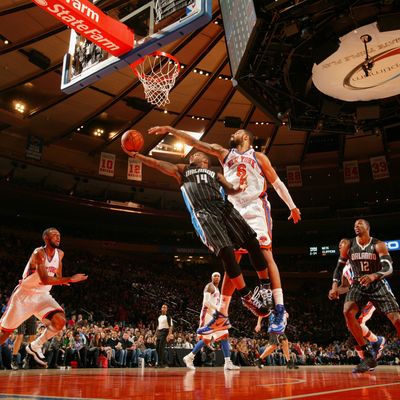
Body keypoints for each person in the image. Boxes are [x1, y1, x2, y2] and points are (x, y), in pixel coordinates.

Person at [148, 126, 301, 333]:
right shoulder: (223, 154)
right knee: (232, 259)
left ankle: (280, 310)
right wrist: (171, 129)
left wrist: (292, 206)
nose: (233, 133)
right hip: (232, 208)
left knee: (265, 253)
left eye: (238, 131)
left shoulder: (259, 157)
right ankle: (222, 314)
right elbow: (195, 144)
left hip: (255, 206)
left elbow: (277, 183)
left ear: (246, 137)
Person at [121, 146, 272, 326]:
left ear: (206, 161)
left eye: (199, 153)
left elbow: (231, 189)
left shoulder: (215, 173)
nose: (195, 153)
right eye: (194, 154)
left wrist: (241, 187)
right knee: (227, 252)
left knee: (252, 242)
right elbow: (157, 164)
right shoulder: (183, 169)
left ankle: (265, 287)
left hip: (223, 208)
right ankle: (247, 297)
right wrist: (138, 155)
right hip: (204, 213)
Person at [0, 227, 88, 367]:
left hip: (42, 295)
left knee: (60, 321)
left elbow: (57, 275)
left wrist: (63, 280)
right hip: (24, 296)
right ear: (46, 238)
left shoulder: (60, 254)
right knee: (4, 334)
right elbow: (46, 279)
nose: (58, 238)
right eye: (54, 235)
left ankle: (35, 345)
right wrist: (69, 279)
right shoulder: (38, 253)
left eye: (59, 235)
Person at [328, 219, 400, 373]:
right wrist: (334, 288)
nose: (356, 226)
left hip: (377, 284)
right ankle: (367, 355)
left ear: (367, 227)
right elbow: (340, 272)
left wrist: (373, 276)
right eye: (354, 225)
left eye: (359, 224)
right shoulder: (349, 247)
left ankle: (376, 342)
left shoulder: (378, 244)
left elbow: (388, 268)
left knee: (396, 319)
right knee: (348, 312)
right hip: (358, 285)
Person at [332, 239, 385, 363]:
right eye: (339, 245)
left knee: (356, 323)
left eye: (344, 244)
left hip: (370, 294)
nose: (341, 246)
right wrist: (335, 291)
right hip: (357, 297)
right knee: (353, 329)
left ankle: (375, 343)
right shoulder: (344, 267)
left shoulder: (359, 258)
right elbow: (345, 286)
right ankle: (370, 352)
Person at [183, 272, 240, 371]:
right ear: (211, 277)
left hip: (215, 315)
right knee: (211, 338)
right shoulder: (209, 286)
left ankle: (227, 362)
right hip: (208, 314)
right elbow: (205, 303)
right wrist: (217, 310)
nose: (217, 277)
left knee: (219, 337)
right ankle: (189, 357)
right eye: (215, 276)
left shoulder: (217, 289)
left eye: (218, 276)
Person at [155, 304, 173, 368]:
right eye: (162, 307)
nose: (163, 308)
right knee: (157, 348)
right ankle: (164, 361)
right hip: (159, 332)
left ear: (166, 309)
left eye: (165, 307)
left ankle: (160, 363)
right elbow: (158, 326)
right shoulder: (159, 317)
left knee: (161, 348)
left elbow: (170, 326)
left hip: (165, 332)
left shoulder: (168, 317)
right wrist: (155, 335)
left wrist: (169, 335)